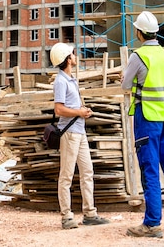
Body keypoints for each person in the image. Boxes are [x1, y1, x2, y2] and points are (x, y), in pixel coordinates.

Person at [121, 11, 164, 237]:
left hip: (147, 118)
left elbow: (125, 85)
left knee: (150, 170)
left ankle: (151, 224)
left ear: (138, 32)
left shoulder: (138, 56)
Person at [50, 42, 110, 230]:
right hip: (69, 133)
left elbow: (70, 107)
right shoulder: (60, 81)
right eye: (73, 54)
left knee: (87, 172)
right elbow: (58, 109)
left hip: (79, 131)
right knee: (66, 175)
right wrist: (79, 113)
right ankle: (66, 216)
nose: (75, 56)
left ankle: (90, 213)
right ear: (68, 59)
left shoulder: (71, 79)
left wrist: (82, 111)